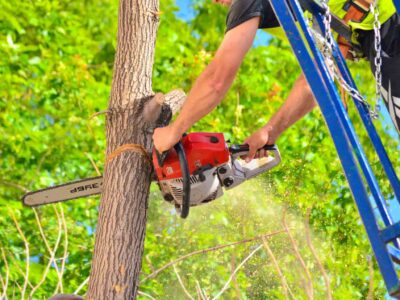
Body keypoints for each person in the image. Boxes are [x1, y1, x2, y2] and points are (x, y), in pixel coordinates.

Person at [153, 0, 399, 161]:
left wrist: (172, 132)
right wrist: (271, 130)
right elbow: (315, 81)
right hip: (380, 40)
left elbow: (217, 80)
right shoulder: (291, 11)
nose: (215, 2)